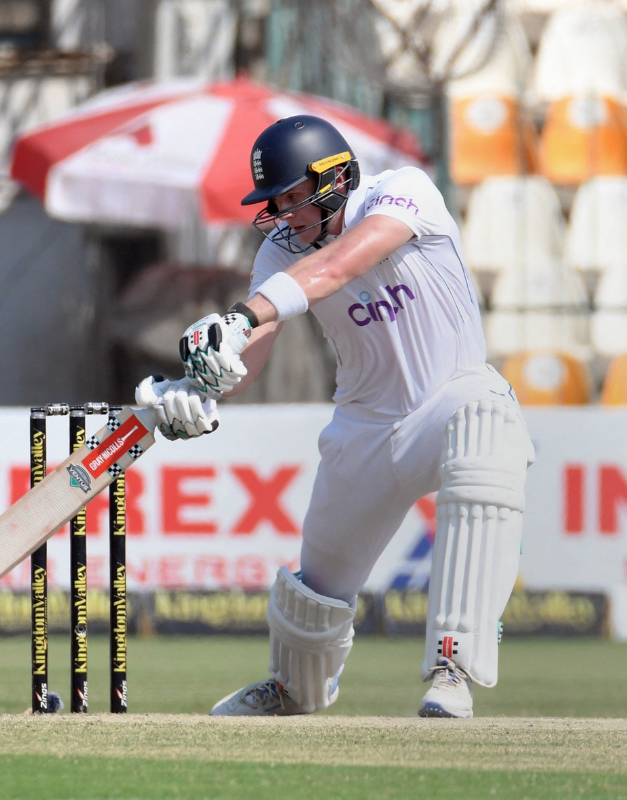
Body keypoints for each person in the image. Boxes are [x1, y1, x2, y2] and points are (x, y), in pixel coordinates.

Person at [135, 116, 533, 719]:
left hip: (451, 396)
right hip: (365, 427)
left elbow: (340, 265)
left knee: (489, 427)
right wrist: (202, 384)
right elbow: (258, 346)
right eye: (277, 201)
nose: (285, 213)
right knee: (316, 591)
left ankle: (453, 668)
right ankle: (295, 691)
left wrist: (238, 317)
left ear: (338, 176)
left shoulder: (403, 192)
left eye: (296, 196)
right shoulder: (278, 253)